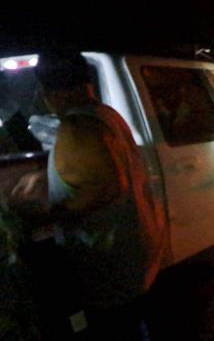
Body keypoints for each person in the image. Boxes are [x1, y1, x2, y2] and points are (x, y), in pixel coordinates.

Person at [11, 52, 168, 339]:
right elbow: (103, 171)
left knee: (115, 331)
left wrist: (39, 213)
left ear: (47, 91)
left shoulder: (76, 127)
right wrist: (46, 177)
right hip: (134, 256)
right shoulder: (106, 116)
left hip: (108, 266)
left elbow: (105, 189)